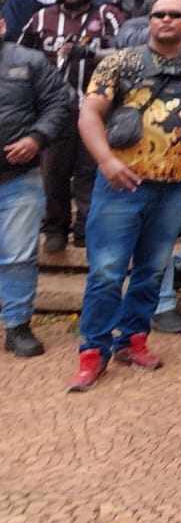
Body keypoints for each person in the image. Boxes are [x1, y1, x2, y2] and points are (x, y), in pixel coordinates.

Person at [72, 0, 181, 390]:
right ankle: (93, 350)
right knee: (107, 272)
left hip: (175, 184)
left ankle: (132, 339)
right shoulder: (120, 62)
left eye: (175, 14)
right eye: (159, 14)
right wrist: (105, 160)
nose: (166, 20)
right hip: (121, 182)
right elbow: (89, 114)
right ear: (150, 20)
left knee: (153, 269)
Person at [18, 0, 123, 253]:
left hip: (98, 109)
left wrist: (91, 54)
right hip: (54, 111)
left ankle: (86, 229)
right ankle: (55, 228)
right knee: (53, 172)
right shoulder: (41, 18)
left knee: (90, 171)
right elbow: (20, 56)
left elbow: (128, 53)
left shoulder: (108, 15)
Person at [0, 18, 78, 357]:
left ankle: (17, 325)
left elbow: (60, 102)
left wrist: (36, 137)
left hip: (18, 176)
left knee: (18, 255)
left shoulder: (29, 61)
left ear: (2, 25)